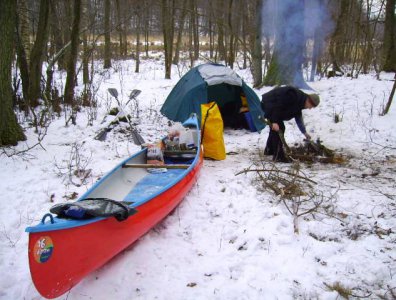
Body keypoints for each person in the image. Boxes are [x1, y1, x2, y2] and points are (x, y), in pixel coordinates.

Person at [261, 86, 320, 162]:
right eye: (311, 106)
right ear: (309, 101)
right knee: (280, 128)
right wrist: (275, 121)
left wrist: (304, 132)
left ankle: (269, 150)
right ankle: (278, 156)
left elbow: (298, 117)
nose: (310, 108)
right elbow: (279, 105)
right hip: (269, 103)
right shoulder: (293, 96)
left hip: (273, 106)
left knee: (277, 128)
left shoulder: (300, 102)